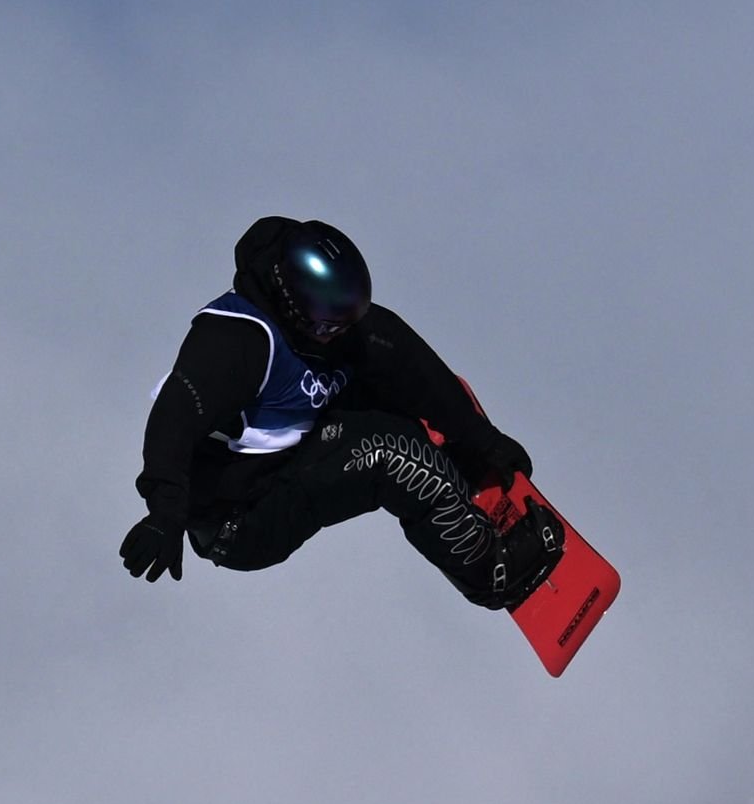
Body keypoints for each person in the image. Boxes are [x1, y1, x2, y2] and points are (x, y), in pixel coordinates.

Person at [122, 217, 567, 613]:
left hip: (294, 449)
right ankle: (489, 572)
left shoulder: (336, 326)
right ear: (291, 300)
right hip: (242, 515)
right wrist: (165, 517)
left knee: (389, 373)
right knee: (387, 451)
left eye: (343, 319)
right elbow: (171, 423)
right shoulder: (234, 344)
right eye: (326, 322)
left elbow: (409, 363)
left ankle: (452, 475)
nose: (335, 331)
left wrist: (480, 442)